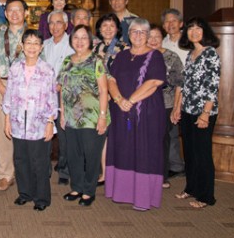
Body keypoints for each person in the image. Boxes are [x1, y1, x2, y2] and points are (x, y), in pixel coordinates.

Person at [105, 18, 166, 211]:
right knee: (123, 149)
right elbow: (111, 79)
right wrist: (118, 99)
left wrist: (130, 101)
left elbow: (154, 82)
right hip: (120, 111)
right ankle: (122, 193)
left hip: (146, 113)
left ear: (148, 36)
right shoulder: (122, 56)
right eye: (134, 31)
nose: (138, 35)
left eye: (142, 32)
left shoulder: (155, 56)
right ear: (128, 34)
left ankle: (142, 197)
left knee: (143, 150)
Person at [2, 29, 58, 211]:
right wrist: (7, 120)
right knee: (21, 160)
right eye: (28, 43)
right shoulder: (15, 68)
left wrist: (50, 123)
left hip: (39, 124)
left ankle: (42, 198)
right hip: (18, 123)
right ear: (23, 46)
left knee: (39, 162)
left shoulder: (47, 70)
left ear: (41, 47)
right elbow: (9, 96)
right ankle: (24, 193)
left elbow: (52, 99)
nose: (32, 47)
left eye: (36, 43)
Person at [57, 25, 109, 207]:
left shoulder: (97, 61)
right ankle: (77, 187)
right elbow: (63, 88)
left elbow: (103, 90)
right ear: (71, 40)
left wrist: (102, 116)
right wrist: (62, 113)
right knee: (74, 154)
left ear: (90, 41)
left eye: (83, 38)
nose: (79, 41)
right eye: (76, 37)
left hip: (92, 117)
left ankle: (89, 190)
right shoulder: (67, 61)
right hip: (71, 116)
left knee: (91, 154)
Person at [172, 17, 221, 209]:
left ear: (205, 32)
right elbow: (184, 85)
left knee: (203, 154)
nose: (194, 32)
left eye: (198, 28)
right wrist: (177, 108)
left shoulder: (210, 54)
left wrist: (205, 114)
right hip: (187, 110)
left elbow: (212, 87)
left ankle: (206, 196)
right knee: (190, 153)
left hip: (203, 111)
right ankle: (191, 188)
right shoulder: (191, 54)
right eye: (190, 28)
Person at [0, 0, 28, 191]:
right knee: (4, 131)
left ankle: (26, 173)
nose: (14, 13)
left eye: (18, 10)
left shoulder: (33, 36)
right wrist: (2, 89)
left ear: (25, 13)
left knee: (27, 130)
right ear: (5, 13)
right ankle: (5, 174)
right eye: (10, 10)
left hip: (28, 89)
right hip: (1, 85)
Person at [92, 12, 129, 185]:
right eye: (104, 26)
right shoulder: (94, 48)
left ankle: (119, 172)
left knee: (118, 135)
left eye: (112, 26)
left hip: (117, 96)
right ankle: (105, 172)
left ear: (117, 29)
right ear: (99, 28)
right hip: (99, 97)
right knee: (103, 136)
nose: (108, 29)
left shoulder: (124, 48)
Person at [147, 24, 184, 189]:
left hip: (166, 104)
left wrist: (177, 107)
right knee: (145, 139)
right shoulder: (141, 56)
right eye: (150, 36)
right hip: (144, 104)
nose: (153, 40)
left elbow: (179, 84)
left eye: (157, 37)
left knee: (162, 140)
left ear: (162, 38)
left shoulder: (171, 57)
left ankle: (162, 175)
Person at [41, 10, 74, 185]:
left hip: (64, 94)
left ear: (66, 25)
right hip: (45, 96)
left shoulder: (73, 45)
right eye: (52, 23)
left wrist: (61, 84)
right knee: (44, 134)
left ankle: (64, 170)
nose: (55, 26)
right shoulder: (44, 45)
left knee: (64, 135)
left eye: (59, 22)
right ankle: (44, 169)